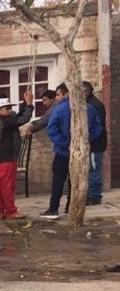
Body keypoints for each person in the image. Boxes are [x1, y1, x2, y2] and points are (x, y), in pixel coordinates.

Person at [39, 83, 102, 220]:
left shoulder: (60, 109)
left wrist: (65, 143)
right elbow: (97, 128)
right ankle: (70, 207)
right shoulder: (89, 108)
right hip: (79, 151)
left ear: (66, 93)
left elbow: (52, 129)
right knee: (75, 181)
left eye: (58, 94)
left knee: (58, 180)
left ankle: (53, 209)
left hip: (63, 152)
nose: (56, 98)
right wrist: (84, 141)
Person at [0, 91, 34, 219]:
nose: (10, 110)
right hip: (6, 158)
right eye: (7, 108)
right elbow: (24, 119)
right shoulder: (5, 121)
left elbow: (17, 117)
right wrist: (29, 104)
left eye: (10, 108)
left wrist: (25, 103)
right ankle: (11, 210)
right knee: (8, 186)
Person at [83, 81, 107, 206]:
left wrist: (88, 140)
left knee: (94, 169)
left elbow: (97, 126)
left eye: (84, 91)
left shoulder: (95, 105)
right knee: (91, 169)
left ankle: (94, 196)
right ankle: (91, 195)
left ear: (89, 91)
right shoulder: (88, 103)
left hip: (95, 143)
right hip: (92, 143)